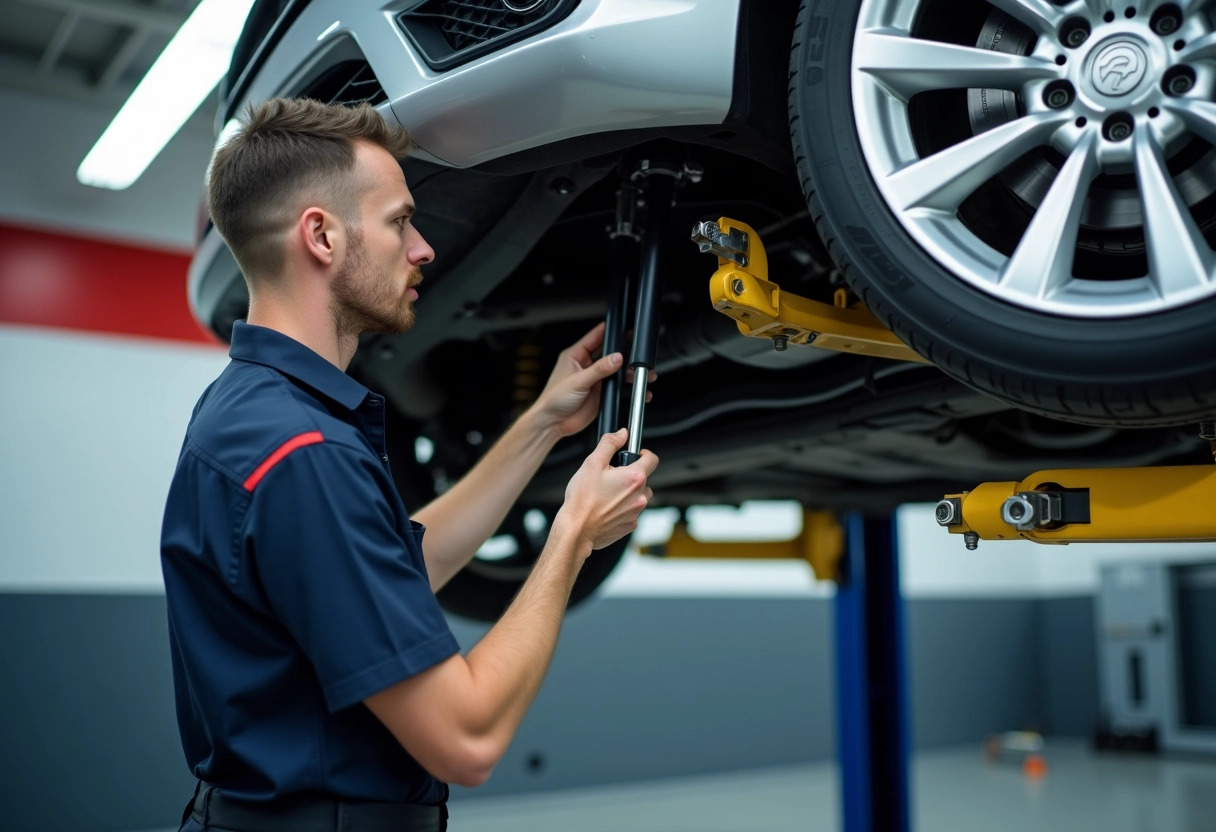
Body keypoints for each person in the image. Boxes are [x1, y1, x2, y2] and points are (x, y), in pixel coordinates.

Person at [161, 98, 659, 832]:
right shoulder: (305, 453)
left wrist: (538, 425)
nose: (423, 248)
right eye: (399, 221)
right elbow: (467, 738)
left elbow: (387, 574)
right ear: (321, 236)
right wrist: (573, 535)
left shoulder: (250, 411)